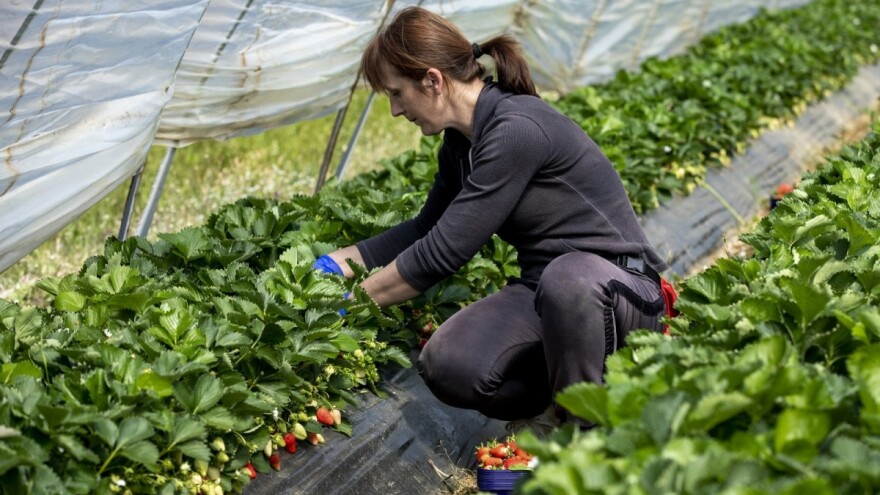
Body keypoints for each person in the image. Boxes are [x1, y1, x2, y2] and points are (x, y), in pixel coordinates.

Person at [314, 6, 669, 430]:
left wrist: (347, 303)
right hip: (548, 292)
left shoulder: (516, 128)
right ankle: (556, 404)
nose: (394, 110)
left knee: (567, 278)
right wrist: (338, 262)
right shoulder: (461, 144)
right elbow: (426, 228)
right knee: (448, 363)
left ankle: (586, 436)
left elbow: (443, 252)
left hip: (620, 291)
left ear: (432, 80)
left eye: (396, 93)